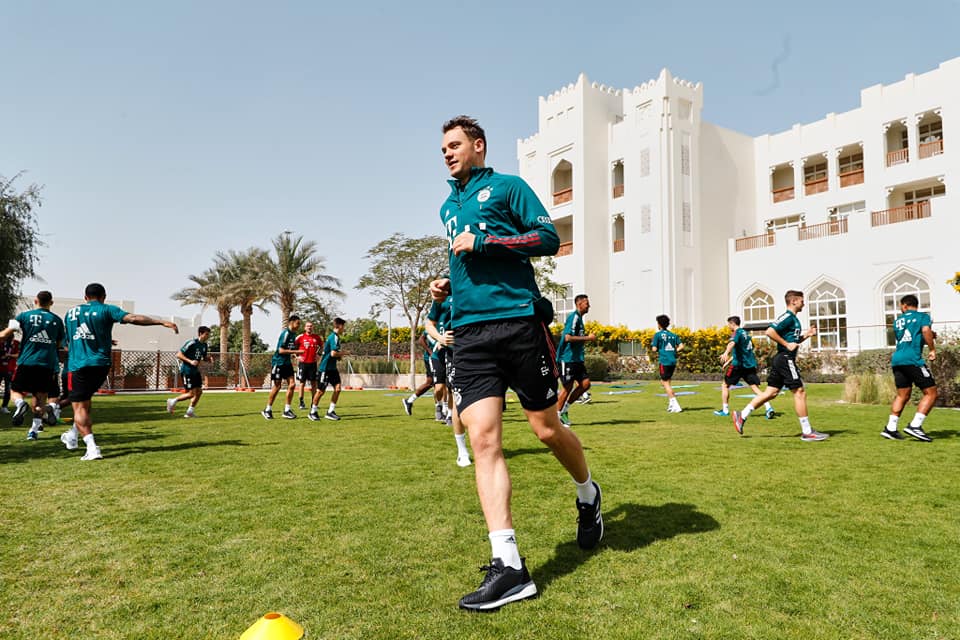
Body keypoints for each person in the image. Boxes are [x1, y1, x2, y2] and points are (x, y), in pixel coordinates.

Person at [433, 115, 602, 612]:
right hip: (469, 333)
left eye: (455, 145)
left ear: (479, 146)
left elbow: (548, 239)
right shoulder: (447, 206)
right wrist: (448, 285)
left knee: (546, 429)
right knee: (483, 439)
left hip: (518, 324)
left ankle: (588, 494)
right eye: (443, 148)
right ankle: (509, 565)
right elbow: (467, 260)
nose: (447, 153)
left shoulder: (509, 188)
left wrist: (486, 243)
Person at [60, 283, 178, 460]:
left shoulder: (70, 314)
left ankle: (92, 448)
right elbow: (133, 318)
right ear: (104, 296)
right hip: (101, 365)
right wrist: (160, 321)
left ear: (85, 297)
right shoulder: (107, 309)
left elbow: (71, 340)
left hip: (78, 365)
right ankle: (72, 435)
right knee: (85, 401)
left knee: (79, 407)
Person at [732, 290, 828, 441]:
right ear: (794, 301)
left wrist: (807, 335)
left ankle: (742, 415)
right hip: (785, 359)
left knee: (771, 393)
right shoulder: (787, 317)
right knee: (800, 392)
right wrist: (786, 344)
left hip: (781, 359)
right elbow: (770, 331)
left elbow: (792, 341)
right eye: (802, 301)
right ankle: (807, 431)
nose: (804, 303)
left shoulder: (794, 319)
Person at [0, 291, 65, 439]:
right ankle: (34, 430)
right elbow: (59, 344)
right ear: (51, 303)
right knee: (40, 398)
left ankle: (20, 404)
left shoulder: (24, 316)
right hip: (47, 363)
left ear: (36, 301)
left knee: (15, 390)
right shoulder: (57, 320)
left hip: (27, 361)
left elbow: (5, 334)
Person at [883, 294, 937, 442]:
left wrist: (930, 335)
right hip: (913, 360)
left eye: (900, 306)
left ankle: (890, 428)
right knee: (931, 393)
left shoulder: (897, 321)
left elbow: (908, 337)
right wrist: (932, 349)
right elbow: (924, 331)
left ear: (905, 305)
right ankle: (915, 425)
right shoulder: (923, 316)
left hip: (897, 360)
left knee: (902, 395)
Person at [425, 298, 472, 467]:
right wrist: (440, 339)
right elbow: (428, 325)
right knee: (453, 393)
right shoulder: (444, 294)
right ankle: (462, 451)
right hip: (452, 354)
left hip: (480, 351)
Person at [714, 316, 774, 419]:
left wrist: (726, 353)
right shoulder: (746, 334)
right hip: (749, 365)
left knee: (725, 385)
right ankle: (768, 407)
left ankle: (725, 410)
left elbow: (731, 343)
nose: (728, 327)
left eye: (728, 324)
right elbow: (742, 351)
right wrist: (728, 362)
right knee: (754, 388)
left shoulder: (736, 333)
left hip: (738, 366)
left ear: (732, 324)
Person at [555, 294, 596, 427]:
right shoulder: (574, 317)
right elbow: (568, 338)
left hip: (577, 359)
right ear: (579, 304)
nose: (589, 306)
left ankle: (564, 410)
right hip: (567, 359)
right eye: (587, 303)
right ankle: (557, 416)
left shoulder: (579, 319)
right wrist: (588, 338)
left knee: (585, 384)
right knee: (567, 387)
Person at [262, 315, 303, 420]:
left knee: (292, 385)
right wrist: (297, 351)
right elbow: (280, 350)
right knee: (277, 386)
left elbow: (289, 349)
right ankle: (267, 409)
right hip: (278, 363)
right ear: (291, 322)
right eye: (298, 323)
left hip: (287, 363)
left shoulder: (293, 335)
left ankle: (287, 410)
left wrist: (296, 356)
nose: (299, 326)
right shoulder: (285, 334)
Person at [166, 326, 212, 418]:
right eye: (206, 334)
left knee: (199, 392)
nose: (208, 336)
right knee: (191, 394)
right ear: (200, 334)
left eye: (208, 334)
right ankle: (172, 401)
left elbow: (203, 357)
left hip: (195, 371)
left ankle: (190, 412)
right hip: (187, 371)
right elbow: (178, 354)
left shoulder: (204, 345)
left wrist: (208, 359)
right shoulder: (191, 343)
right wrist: (190, 361)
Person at [425, 297, 454, 426]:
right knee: (439, 387)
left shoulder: (453, 319)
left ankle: (450, 414)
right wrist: (437, 341)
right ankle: (438, 405)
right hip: (437, 355)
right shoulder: (434, 319)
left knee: (451, 385)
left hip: (451, 351)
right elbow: (426, 333)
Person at [309, 317, 345, 421]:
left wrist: (339, 356)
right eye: (343, 326)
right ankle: (313, 412)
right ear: (339, 326)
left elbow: (333, 354)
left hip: (332, 369)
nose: (344, 329)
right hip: (325, 369)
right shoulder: (333, 337)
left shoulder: (336, 337)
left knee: (338, 388)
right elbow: (333, 353)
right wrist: (344, 353)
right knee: (320, 391)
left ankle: (330, 412)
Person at [651, 315, 685, 413]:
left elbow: (654, 349)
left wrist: (656, 347)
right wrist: (674, 351)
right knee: (667, 382)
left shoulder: (657, 335)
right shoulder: (673, 335)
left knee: (665, 383)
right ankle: (671, 404)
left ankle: (676, 405)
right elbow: (681, 346)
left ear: (659, 324)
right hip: (672, 361)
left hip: (664, 361)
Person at [401, 331, 437, 416]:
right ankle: (440, 410)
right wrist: (430, 352)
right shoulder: (432, 326)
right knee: (435, 382)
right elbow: (421, 339)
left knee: (434, 382)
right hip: (431, 358)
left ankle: (409, 401)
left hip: (441, 358)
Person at [295, 321, 322, 410]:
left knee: (314, 383)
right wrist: (297, 356)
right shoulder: (300, 337)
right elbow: (293, 347)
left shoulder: (316, 337)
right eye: (307, 326)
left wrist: (318, 355)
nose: (309, 327)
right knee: (302, 383)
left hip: (313, 364)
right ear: (305, 328)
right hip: (303, 364)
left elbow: (322, 346)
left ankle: (313, 403)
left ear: (312, 327)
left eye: (311, 326)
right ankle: (301, 402)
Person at [0, 330, 19, 414]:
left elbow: (19, 354)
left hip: (10, 369)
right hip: (0, 368)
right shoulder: (1, 342)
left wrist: (9, 355)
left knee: (8, 389)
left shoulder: (16, 343)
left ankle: (4, 406)